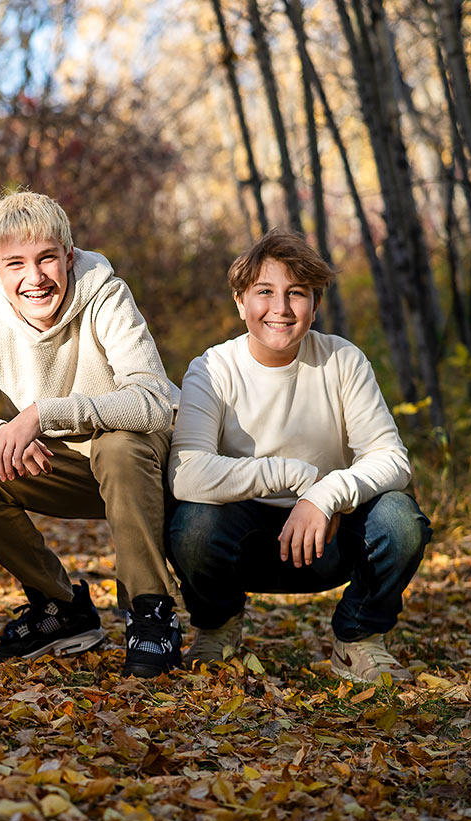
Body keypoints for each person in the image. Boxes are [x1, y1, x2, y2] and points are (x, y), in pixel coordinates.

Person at [168, 228, 431, 683]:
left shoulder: (342, 360)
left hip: (328, 538)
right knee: (191, 523)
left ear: (316, 304)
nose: (281, 309)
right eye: (264, 292)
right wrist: (294, 476)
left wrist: (324, 494)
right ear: (240, 302)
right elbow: (186, 473)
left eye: (297, 294)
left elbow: (392, 458)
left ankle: (358, 640)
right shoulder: (212, 369)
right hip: (242, 542)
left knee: (400, 520)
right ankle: (218, 626)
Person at [0, 191, 182, 677]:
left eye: (46, 259)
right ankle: (59, 608)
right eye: (15, 263)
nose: (34, 278)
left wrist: (43, 414)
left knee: (117, 444)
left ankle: (151, 612)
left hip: (148, 465)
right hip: (73, 470)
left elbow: (156, 399)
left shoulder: (106, 295)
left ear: (69, 257)